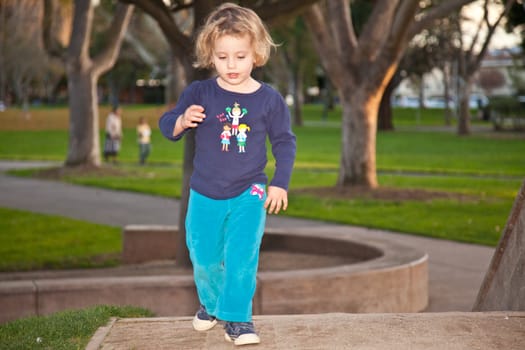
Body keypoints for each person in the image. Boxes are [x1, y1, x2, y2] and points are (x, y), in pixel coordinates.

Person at [158, 3, 296, 346]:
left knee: (241, 256)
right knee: (202, 256)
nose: (231, 65)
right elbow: (167, 123)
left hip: (249, 192)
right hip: (205, 192)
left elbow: (285, 143)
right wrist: (180, 120)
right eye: (222, 57)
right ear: (210, 55)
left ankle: (238, 320)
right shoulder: (199, 93)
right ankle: (212, 303)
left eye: (240, 56)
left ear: (256, 54)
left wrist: (279, 184)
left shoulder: (269, 101)